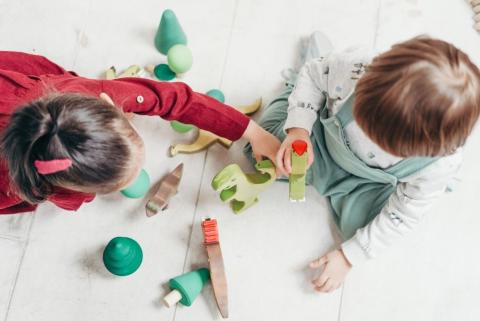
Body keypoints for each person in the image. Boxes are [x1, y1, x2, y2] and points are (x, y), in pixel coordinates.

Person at [0, 51, 280, 214]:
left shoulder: (96, 92)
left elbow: (174, 98)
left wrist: (252, 132)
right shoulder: (18, 188)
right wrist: (77, 198)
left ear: (109, 104)